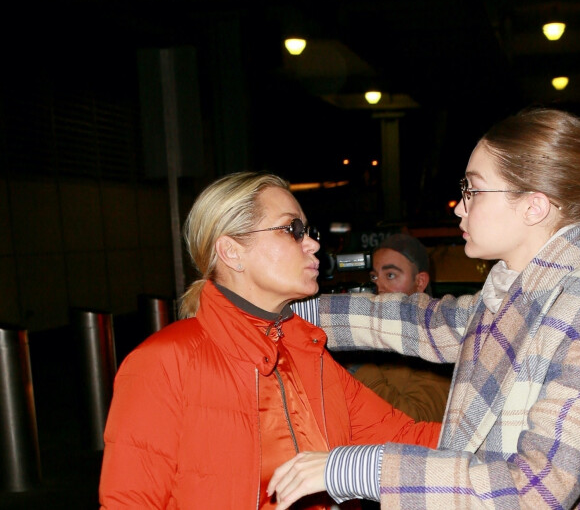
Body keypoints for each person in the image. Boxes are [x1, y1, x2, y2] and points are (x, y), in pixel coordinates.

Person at [268, 106, 580, 509]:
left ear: (533, 207)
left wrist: (361, 468)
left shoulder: (571, 308)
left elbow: (535, 489)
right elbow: (425, 323)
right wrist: (292, 310)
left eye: (473, 189)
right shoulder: (515, 296)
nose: (459, 207)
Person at [98, 171, 441, 509]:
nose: (313, 244)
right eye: (293, 230)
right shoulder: (164, 362)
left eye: (308, 231)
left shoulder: (311, 355)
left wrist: (490, 448)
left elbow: (407, 440)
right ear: (232, 252)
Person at [344, 232, 452, 422]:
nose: (379, 286)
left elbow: (418, 419)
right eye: (374, 277)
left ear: (420, 282)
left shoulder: (435, 341)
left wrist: (359, 367)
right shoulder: (371, 331)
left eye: (391, 275)